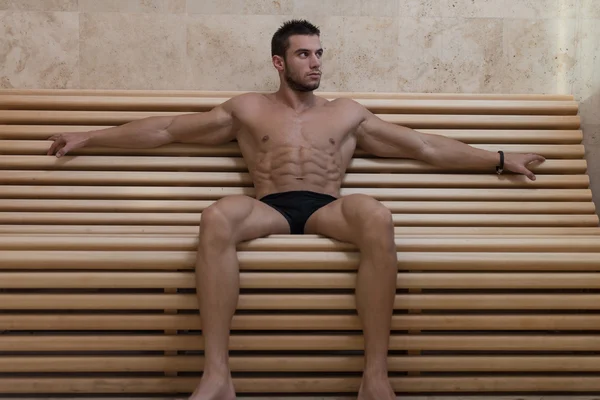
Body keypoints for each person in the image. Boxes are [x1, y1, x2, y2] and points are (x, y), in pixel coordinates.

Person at [47, 19, 545, 400]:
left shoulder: (346, 112)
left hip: (327, 209)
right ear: (279, 63)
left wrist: (500, 160)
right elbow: (167, 130)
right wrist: (88, 137)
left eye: (319, 53)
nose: (316, 63)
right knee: (216, 215)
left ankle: (375, 376)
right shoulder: (247, 109)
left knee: (376, 214)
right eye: (304, 54)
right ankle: (217, 375)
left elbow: (423, 147)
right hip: (271, 208)